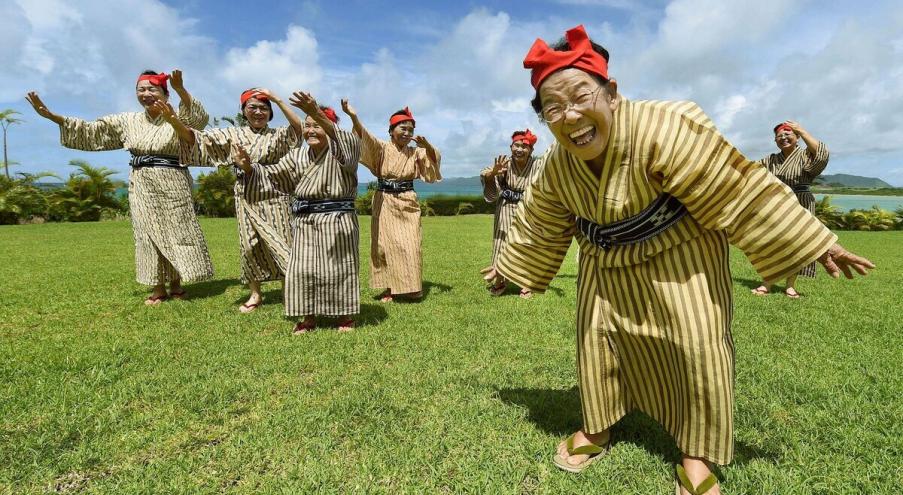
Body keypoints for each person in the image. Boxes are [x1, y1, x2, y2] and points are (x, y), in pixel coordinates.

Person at [482, 25, 873, 494]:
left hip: (681, 256)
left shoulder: (664, 127)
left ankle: (697, 454)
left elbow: (737, 186)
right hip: (604, 268)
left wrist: (813, 241)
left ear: (611, 93)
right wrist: (511, 266)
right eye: (554, 108)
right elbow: (541, 220)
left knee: (696, 350)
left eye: (582, 96)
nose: (570, 116)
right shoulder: (558, 164)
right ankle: (599, 426)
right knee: (599, 347)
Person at [25, 70, 213, 305]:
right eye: (140, 90)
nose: (145, 94)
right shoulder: (128, 121)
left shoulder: (177, 116)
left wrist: (181, 89)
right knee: (147, 233)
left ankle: (177, 284)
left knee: (178, 229)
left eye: (151, 89)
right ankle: (158, 287)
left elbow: (199, 120)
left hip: (173, 179)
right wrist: (54, 118)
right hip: (142, 181)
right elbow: (92, 131)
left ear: (165, 94)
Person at [161, 88, 303, 313]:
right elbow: (196, 139)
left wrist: (277, 98)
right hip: (246, 193)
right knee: (249, 245)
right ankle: (255, 293)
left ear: (271, 112)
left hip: (277, 192)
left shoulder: (278, 134)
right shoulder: (232, 135)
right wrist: (173, 122)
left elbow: (299, 129)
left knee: (284, 243)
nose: (258, 112)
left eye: (264, 108)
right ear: (244, 111)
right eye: (252, 107)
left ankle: (289, 290)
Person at [233, 92, 361, 333]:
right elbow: (272, 175)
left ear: (329, 126)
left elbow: (348, 141)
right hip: (304, 221)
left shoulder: (343, 148)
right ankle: (308, 316)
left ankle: (344, 316)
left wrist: (317, 111)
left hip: (338, 219)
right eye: (308, 126)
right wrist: (248, 166)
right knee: (303, 268)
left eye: (318, 125)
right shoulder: (297, 155)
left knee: (340, 267)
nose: (311, 130)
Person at [340, 101, 441, 303]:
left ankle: (412, 288)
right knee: (383, 245)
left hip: (407, 201)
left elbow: (433, 163)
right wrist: (353, 117)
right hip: (383, 199)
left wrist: (427, 145)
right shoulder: (382, 148)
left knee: (411, 244)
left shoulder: (416, 152)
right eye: (402, 128)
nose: (407, 132)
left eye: (410, 130)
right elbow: (364, 138)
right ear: (391, 130)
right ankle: (389, 288)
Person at [751, 121, 829, 298]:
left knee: (797, 244)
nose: (783, 138)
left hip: (801, 202)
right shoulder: (770, 160)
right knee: (772, 242)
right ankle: (767, 282)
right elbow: (750, 169)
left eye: (788, 135)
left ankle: (790, 285)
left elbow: (821, 156)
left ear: (797, 138)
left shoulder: (805, 156)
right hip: (777, 203)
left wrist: (801, 129)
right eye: (779, 136)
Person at [479, 129, 546, 298]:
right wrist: (493, 173)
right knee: (502, 243)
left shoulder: (537, 164)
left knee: (526, 244)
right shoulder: (505, 164)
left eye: (524, 146)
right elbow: (485, 173)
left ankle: (525, 282)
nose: (520, 149)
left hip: (529, 208)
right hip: (506, 208)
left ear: (531, 150)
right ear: (511, 147)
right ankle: (500, 280)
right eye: (516, 145)